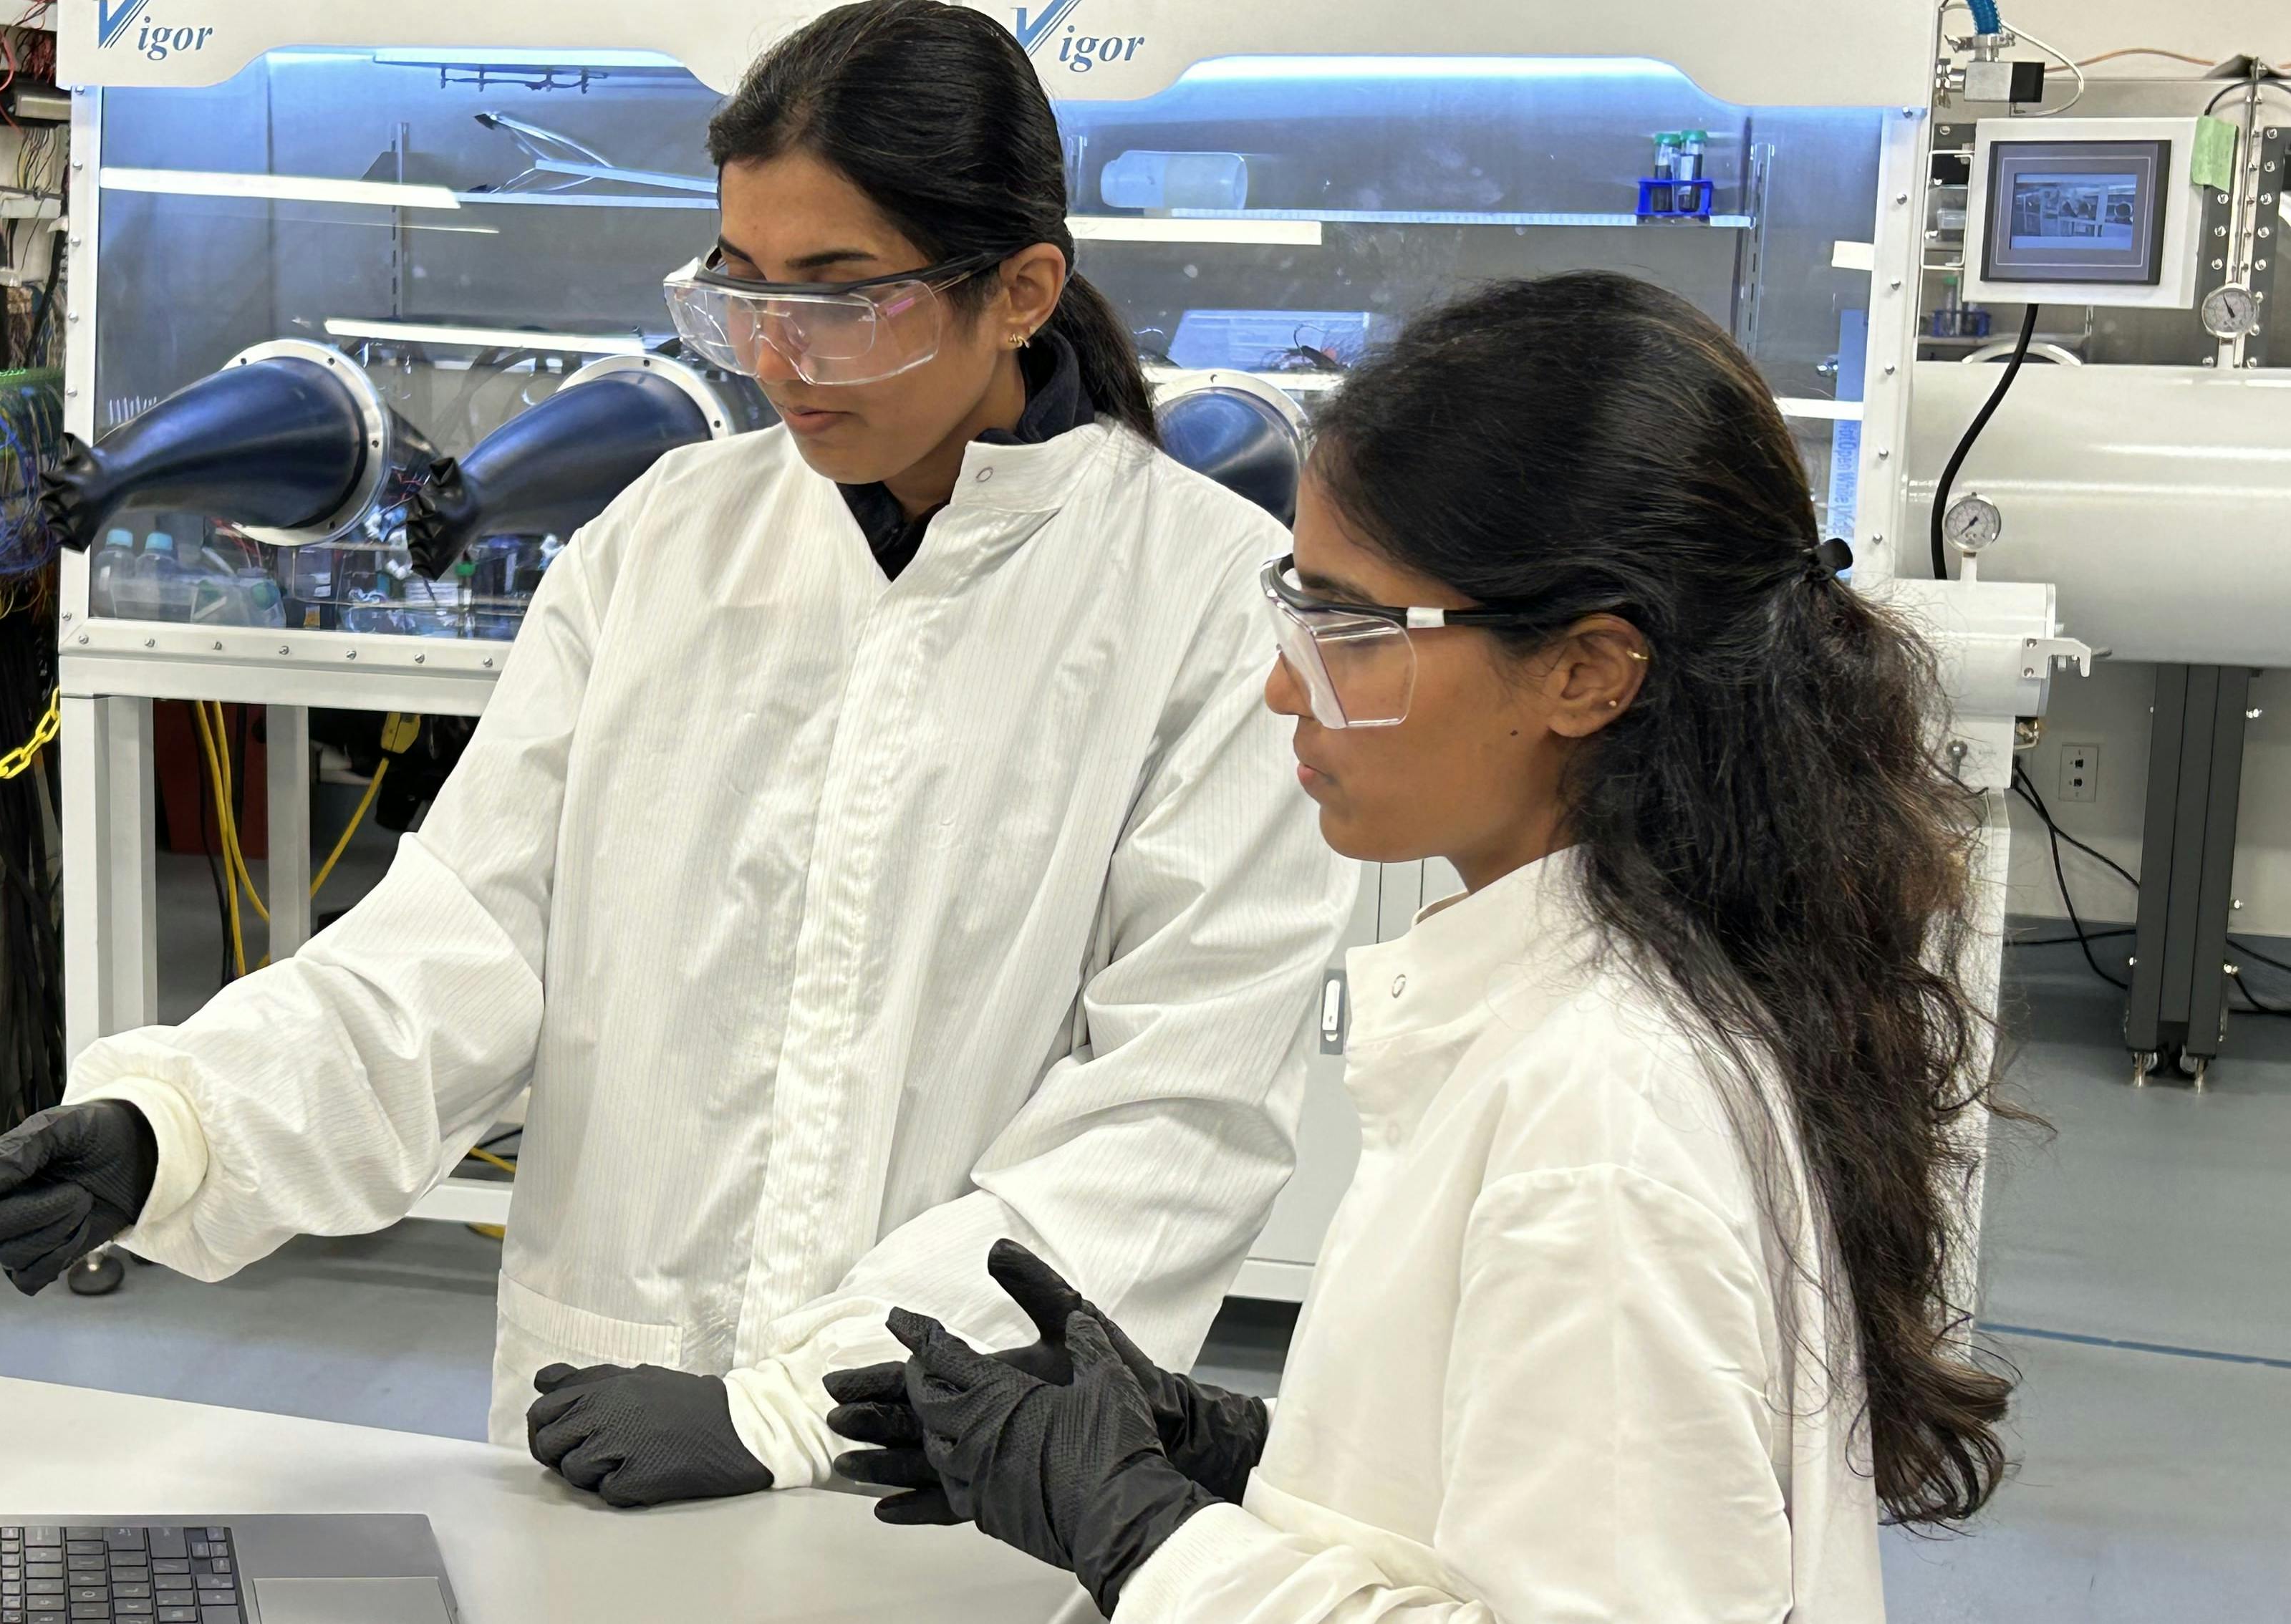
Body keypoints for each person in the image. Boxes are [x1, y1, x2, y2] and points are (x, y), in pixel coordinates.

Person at [0, 0, 1349, 1512]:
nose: (782, 358)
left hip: (940, 1472)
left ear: (1022, 291)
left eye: (841, 297)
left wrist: (793, 1410)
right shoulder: (666, 542)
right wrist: (170, 1126)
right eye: (744, 293)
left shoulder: (1205, 605)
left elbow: (1172, 1114)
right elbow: (468, 943)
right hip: (603, 1419)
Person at [828, 272, 2017, 1621]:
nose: (1284, 681)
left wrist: (1143, 1535)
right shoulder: (1597, 1018)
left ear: (1587, 671)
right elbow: (1505, 1507)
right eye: (1297, 601)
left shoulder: (1599, 1113)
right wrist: (1220, 1456)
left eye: (1352, 626)